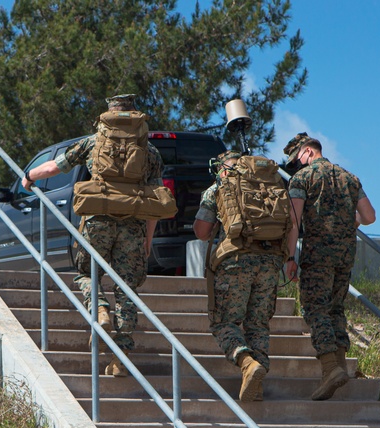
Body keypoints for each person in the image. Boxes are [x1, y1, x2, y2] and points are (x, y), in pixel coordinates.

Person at [22, 94, 163, 377]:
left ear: (108, 114)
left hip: (97, 220)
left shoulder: (93, 142)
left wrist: (28, 176)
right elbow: (155, 202)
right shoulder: (150, 151)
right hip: (133, 225)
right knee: (127, 290)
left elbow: (53, 167)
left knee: (85, 273)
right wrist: (148, 239)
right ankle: (120, 358)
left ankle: (98, 308)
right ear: (135, 115)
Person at [194, 151, 298, 402]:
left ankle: (246, 362)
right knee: (258, 323)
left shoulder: (220, 186)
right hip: (271, 261)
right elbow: (292, 224)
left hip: (236, 261)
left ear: (225, 167)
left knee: (223, 322)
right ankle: (256, 384)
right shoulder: (273, 187)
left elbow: (201, 231)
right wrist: (289, 259)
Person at [282, 132, 377, 400]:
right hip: (345, 254)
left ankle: (329, 369)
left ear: (308, 152)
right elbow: (369, 216)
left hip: (318, 254)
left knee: (314, 308)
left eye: (297, 159)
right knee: (336, 308)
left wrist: (291, 258)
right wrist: (350, 220)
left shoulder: (303, 178)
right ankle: (341, 366)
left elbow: (293, 221)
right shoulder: (350, 177)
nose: (296, 165)